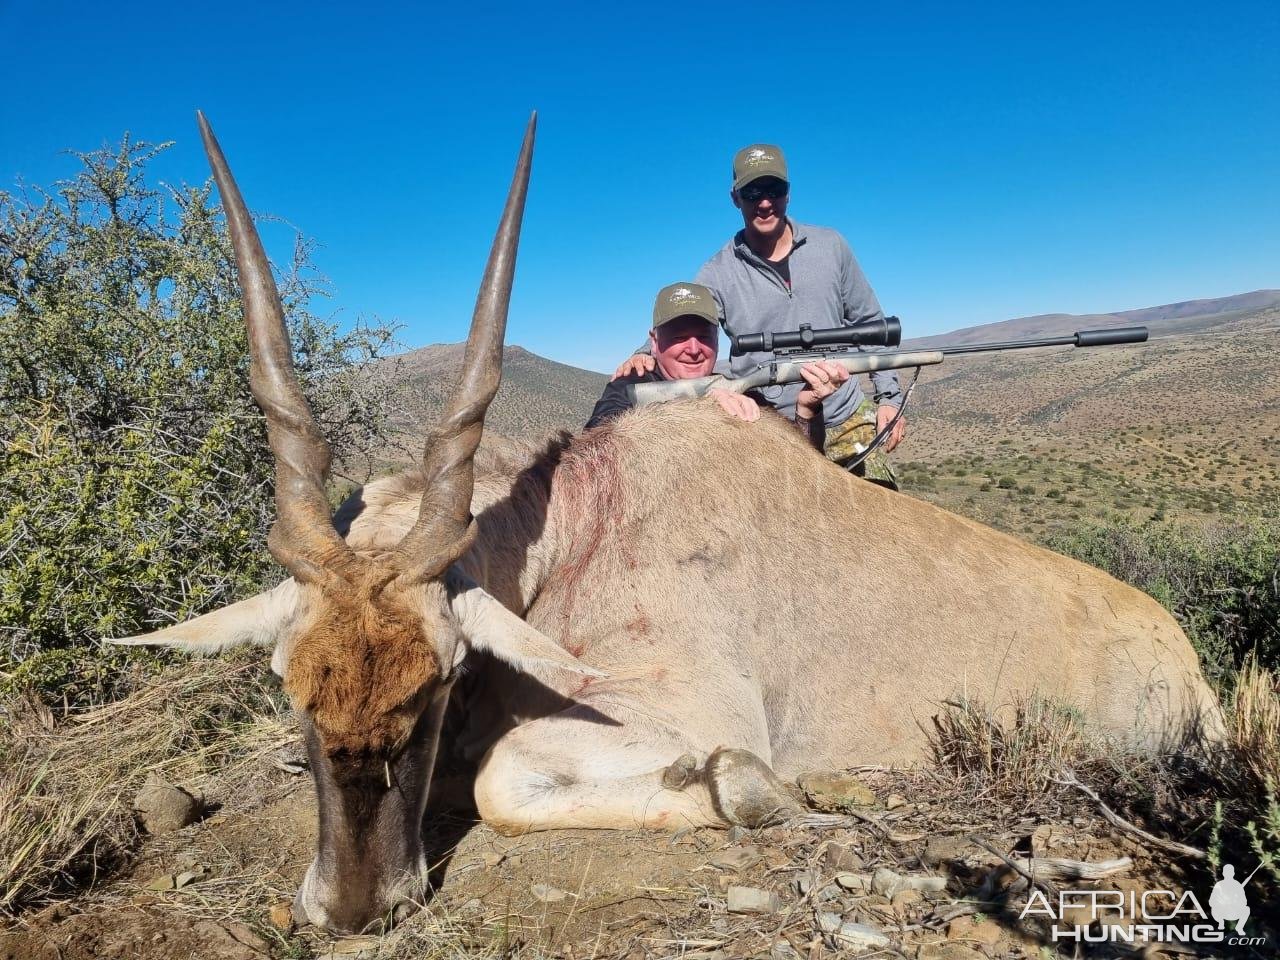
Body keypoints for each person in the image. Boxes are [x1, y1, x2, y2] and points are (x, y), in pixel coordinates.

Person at [612, 144, 905, 488]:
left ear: (788, 193)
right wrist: (642, 356)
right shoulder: (717, 273)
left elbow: (870, 323)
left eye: (774, 190)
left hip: (846, 413)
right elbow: (684, 321)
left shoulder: (832, 246)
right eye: (752, 192)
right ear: (735, 198)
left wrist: (889, 398)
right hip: (770, 429)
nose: (764, 202)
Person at [587, 281, 849, 436]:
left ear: (717, 339)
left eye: (703, 336)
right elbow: (597, 442)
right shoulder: (631, 386)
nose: (693, 348)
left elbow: (801, 469)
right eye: (679, 337)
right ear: (654, 342)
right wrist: (699, 406)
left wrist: (807, 410)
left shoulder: (735, 390)